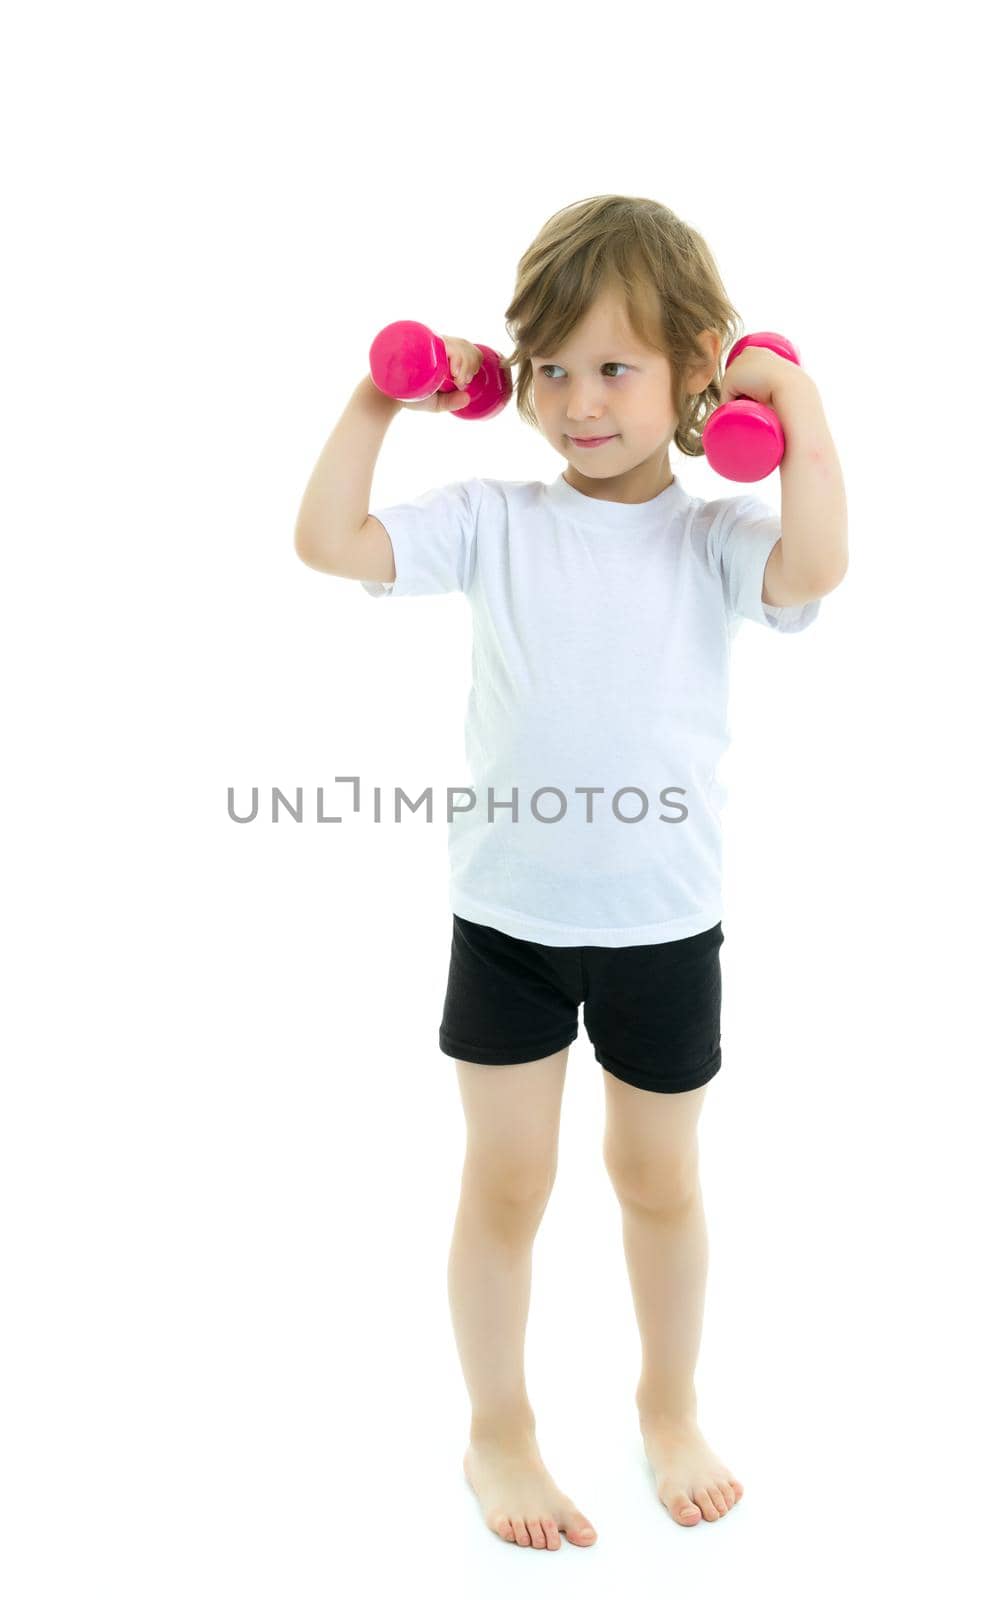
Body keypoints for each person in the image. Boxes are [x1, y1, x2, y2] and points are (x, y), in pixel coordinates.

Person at [293, 194, 848, 1551]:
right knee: (507, 1184)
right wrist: (385, 395)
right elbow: (328, 541)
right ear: (516, 376)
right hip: (508, 919)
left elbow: (818, 562)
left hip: (664, 923)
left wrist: (803, 407)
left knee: (659, 1181)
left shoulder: (711, 539)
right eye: (552, 368)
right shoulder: (493, 517)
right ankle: (499, 1430)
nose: (580, 402)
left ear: (697, 375)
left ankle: (668, 1404)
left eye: (617, 368)